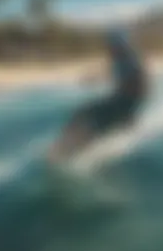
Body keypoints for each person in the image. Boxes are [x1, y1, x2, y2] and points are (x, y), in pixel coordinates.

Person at [48, 28, 148, 162]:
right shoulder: (118, 57)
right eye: (109, 45)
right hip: (120, 100)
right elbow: (109, 71)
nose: (109, 48)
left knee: (89, 117)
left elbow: (141, 87)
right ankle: (66, 147)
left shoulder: (131, 60)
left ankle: (67, 150)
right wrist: (92, 78)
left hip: (125, 103)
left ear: (120, 44)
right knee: (84, 113)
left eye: (112, 45)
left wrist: (129, 112)